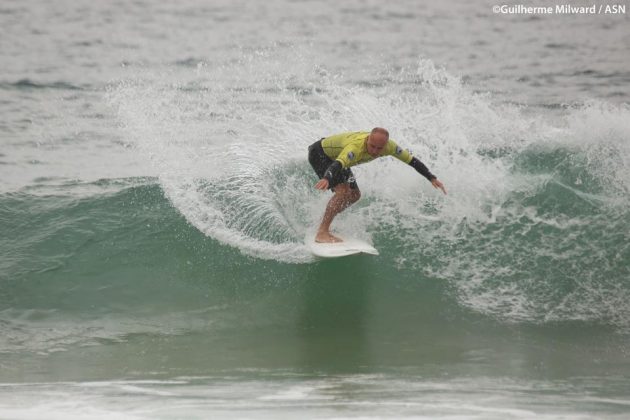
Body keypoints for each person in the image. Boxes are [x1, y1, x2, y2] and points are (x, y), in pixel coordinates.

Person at [308, 127, 447, 243]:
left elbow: (412, 161)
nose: (374, 151)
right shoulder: (355, 148)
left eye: (379, 148)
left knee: (355, 195)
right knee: (343, 192)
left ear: (385, 146)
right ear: (368, 139)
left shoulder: (390, 147)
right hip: (321, 155)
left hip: (337, 159)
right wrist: (327, 178)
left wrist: (431, 177)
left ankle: (325, 222)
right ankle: (322, 232)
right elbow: (338, 164)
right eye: (372, 146)